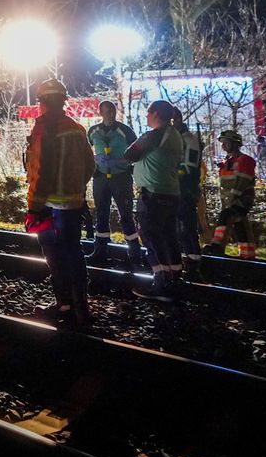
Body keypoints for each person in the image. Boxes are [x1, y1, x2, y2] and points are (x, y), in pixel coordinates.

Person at [24, 79, 96, 327]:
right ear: (63, 102)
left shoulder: (45, 128)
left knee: (55, 256)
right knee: (74, 253)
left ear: (43, 102)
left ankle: (64, 304)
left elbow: (41, 171)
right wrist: (74, 188)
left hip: (50, 208)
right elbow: (90, 166)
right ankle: (81, 306)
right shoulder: (77, 128)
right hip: (74, 205)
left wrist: (34, 207)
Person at [124, 100, 184, 300]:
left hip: (153, 194)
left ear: (156, 113)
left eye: (148, 112)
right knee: (169, 236)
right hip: (171, 192)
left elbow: (129, 154)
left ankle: (161, 281)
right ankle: (175, 278)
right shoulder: (174, 134)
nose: (146, 116)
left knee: (151, 236)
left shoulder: (153, 135)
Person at [86, 101, 142, 268]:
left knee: (126, 214)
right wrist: (95, 160)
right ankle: (100, 250)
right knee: (101, 213)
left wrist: (119, 161)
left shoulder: (125, 131)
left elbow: (137, 153)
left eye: (112, 111)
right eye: (106, 111)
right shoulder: (93, 131)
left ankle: (134, 252)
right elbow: (85, 151)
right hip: (101, 177)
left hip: (121, 177)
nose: (110, 114)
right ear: (100, 112)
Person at [204, 129, 257, 259]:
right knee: (240, 224)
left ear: (235, 143)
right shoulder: (226, 163)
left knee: (226, 216)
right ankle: (247, 254)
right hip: (229, 200)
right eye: (222, 142)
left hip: (242, 200)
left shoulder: (245, 160)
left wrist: (232, 198)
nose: (223, 145)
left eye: (226, 142)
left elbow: (242, 182)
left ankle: (217, 246)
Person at [172, 108, 205, 277]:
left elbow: (189, 167)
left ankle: (194, 265)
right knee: (178, 229)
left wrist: (171, 176)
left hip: (186, 190)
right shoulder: (174, 138)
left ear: (176, 120)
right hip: (174, 190)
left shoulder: (189, 140)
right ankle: (185, 261)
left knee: (187, 228)